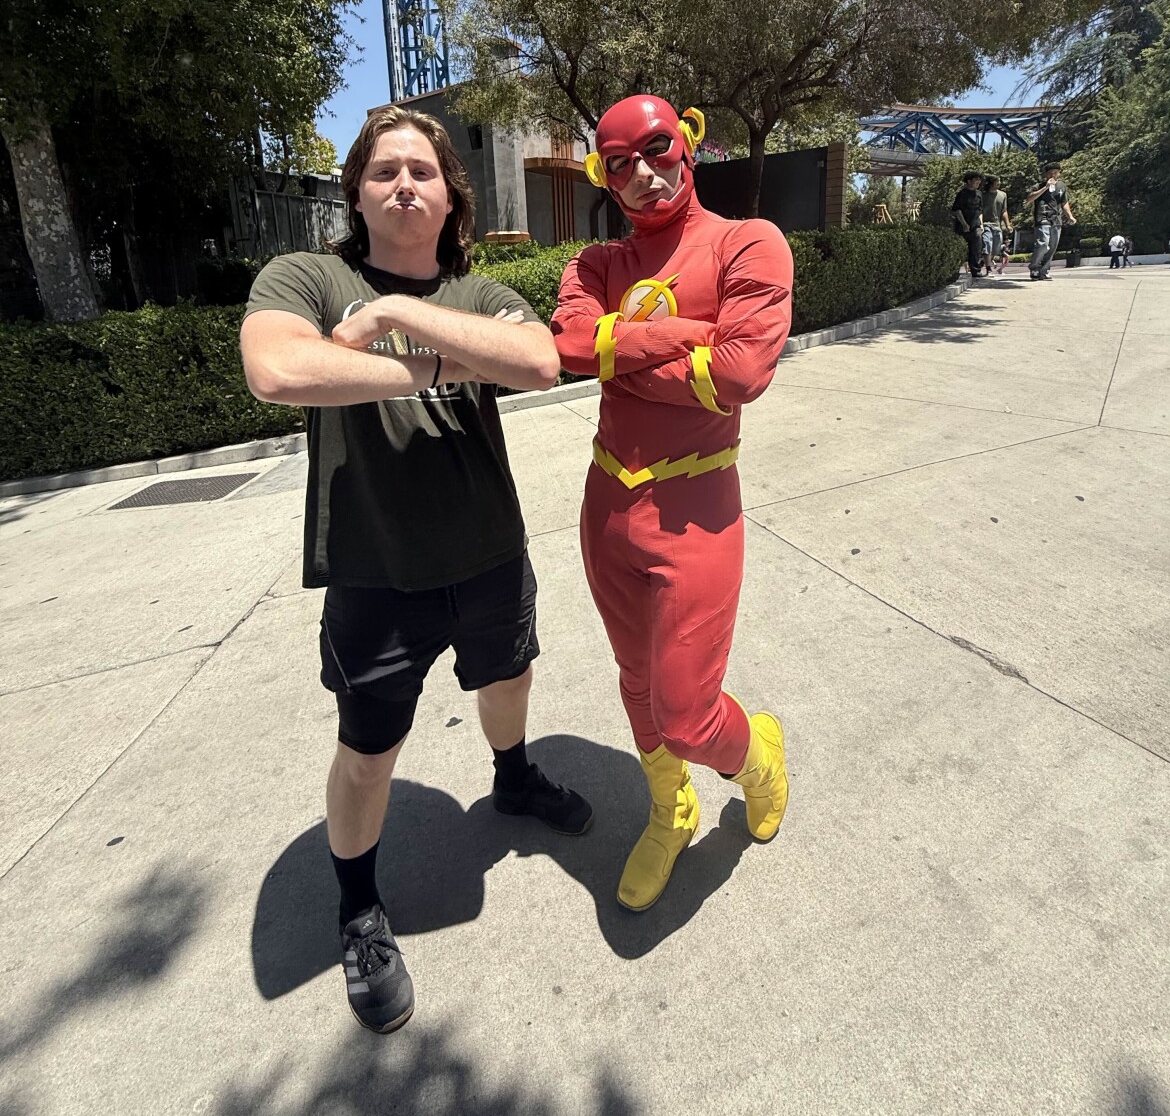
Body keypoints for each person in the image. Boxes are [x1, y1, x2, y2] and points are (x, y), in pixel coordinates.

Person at [240, 105, 591, 1034]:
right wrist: (438, 369)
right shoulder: (308, 277)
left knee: (509, 680)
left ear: (450, 199)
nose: (404, 183)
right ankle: (358, 907)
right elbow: (278, 369)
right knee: (368, 754)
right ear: (356, 195)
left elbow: (539, 362)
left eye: (422, 171)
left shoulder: (480, 292)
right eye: (384, 170)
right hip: (375, 572)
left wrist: (393, 317)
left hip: (490, 553)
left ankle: (513, 777)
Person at [551, 95, 792, 912]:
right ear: (602, 175)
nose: (643, 174)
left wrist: (619, 353)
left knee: (688, 714)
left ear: (687, 145)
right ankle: (671, 810)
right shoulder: (594, 265)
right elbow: (570, 344)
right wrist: (688, 335)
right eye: (620, 163)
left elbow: (739, 374)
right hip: (607, 509)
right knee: (637, 681)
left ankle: (759, 759)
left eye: (656, 150)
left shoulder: (747, 243)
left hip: (699, 513)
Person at [1024, 164, 1077, 281]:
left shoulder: (1062, 186)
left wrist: (1070, 216)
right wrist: (1045, 187)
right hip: (1042, 218)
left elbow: (1064, 203)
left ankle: (1044, 270)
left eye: (1055, 172)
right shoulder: (1038, 186)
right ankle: (1034, 267)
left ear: (1059, 173)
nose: (1053, 175)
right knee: (1043, 244)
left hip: (1056, 219)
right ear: (1046, 174)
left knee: (1052, 246)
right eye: (1050, 173)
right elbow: (1029, 198)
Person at [951, 171, 985, 278]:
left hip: (976, 225)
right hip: (963, 226)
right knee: (960, 248)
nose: (978, 182)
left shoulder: (979, 194)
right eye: (976, 180)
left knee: (976, 248)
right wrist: (964, 224)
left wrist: (981, 224)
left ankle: (976, 270)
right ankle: (954, 271)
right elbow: (957, 210)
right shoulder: (962, 194)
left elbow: (980, 210)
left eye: (979, 180)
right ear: (969, 181)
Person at [980, 175, 1011, 274]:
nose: (999, 183)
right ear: (991, 183)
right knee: (987, 245)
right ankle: (988, 268)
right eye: (997, 181)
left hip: (997, 225)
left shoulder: (1003, 195)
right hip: (985, 224)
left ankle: (985, 261)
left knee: (996, 248)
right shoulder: (982, 195)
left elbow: (1004, 211)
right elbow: (979, 211)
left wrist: (1007, 225)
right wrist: (980, 224)